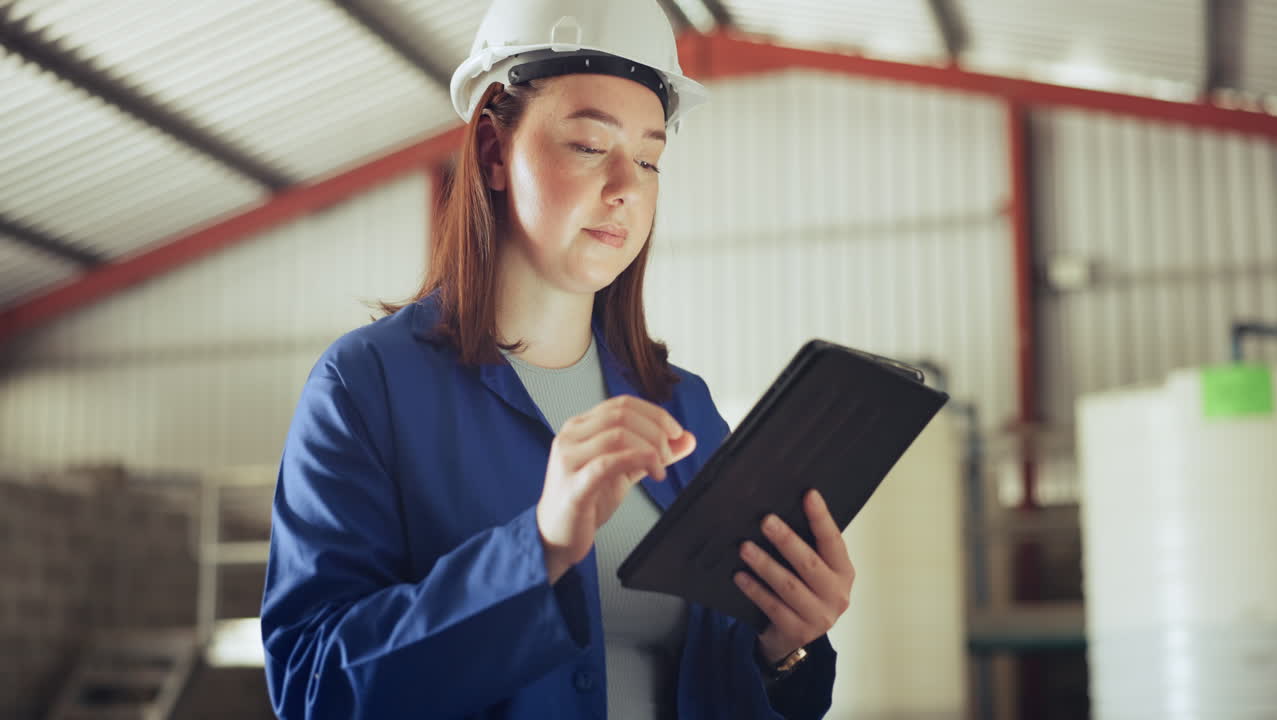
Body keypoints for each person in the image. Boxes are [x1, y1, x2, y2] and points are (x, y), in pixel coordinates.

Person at [260, 1, 855, 717]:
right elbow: (310, 686)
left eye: (648, 158)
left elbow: (731, 685)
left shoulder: (683, 407)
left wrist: (785, 649)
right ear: (492, 150)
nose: (627, 187)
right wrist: (536, 548)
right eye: (586, 145)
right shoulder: (367, 388)